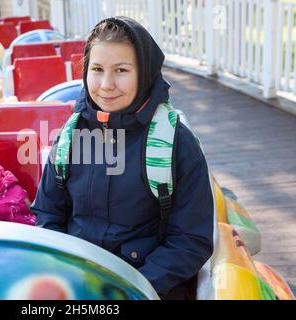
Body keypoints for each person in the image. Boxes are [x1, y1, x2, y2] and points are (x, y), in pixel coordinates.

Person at [30, 16, 214, 300]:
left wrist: (132, 286)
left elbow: (191, 239)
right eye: (97, 69)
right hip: (77, 282)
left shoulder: (175, 144)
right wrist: (63, 269)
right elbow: (47, 213)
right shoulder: (70, 135)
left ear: (145, 73)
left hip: (148, 286)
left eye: (121, 70)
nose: (106, 84)